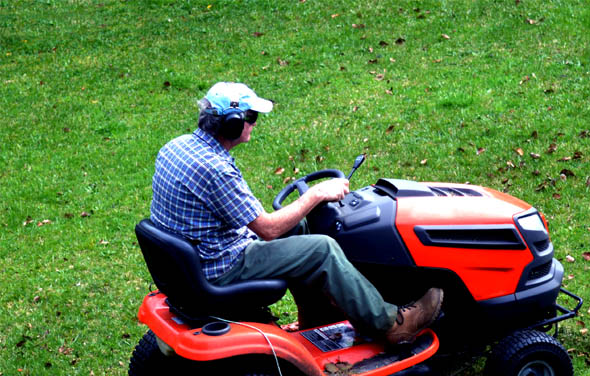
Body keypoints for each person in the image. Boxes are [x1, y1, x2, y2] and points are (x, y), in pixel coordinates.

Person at [149, 82, 442, 344]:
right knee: (322, 248)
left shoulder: (177, 147)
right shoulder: (216, 169)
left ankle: (317, 323)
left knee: (301, 229)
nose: (254, 124)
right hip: (221, 266)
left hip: (198, 255)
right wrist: (317, 194)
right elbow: (268, 229)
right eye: (251, 118)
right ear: (232, 124)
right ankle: (389, 324)